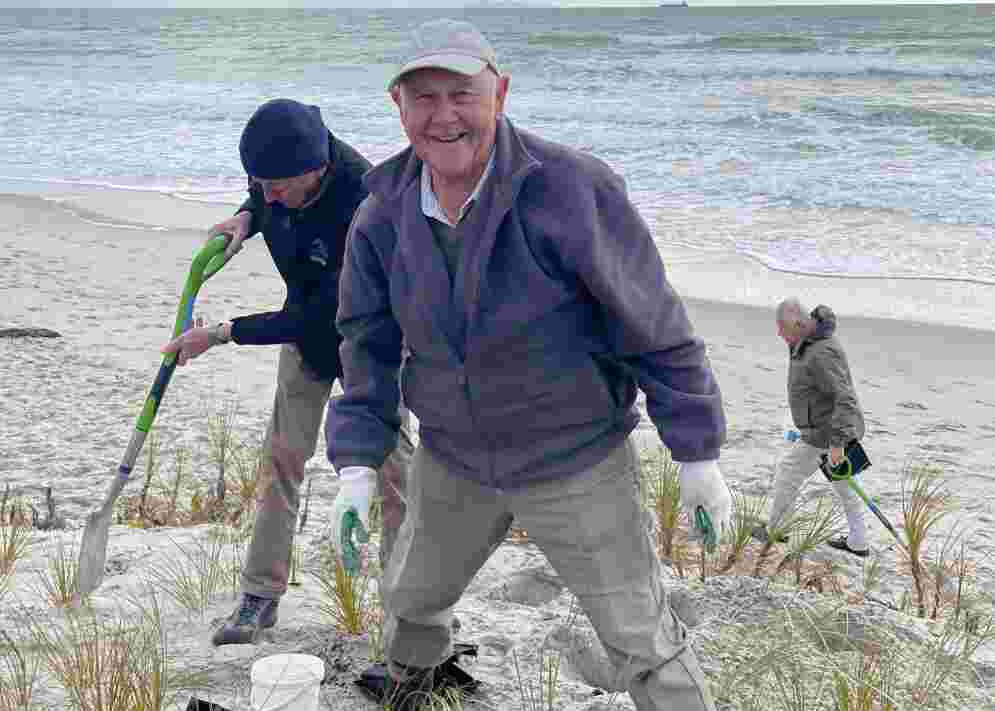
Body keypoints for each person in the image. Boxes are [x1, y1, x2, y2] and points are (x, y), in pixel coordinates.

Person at [326, 19, 732, 711]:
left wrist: (696, 452)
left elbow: (652, 321)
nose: (443, 115)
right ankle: (413, 678)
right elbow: (365, 343)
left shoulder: (572, 189)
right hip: (453, 457)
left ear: (500, 93)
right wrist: (358, 464)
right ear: (397, 107)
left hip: (573, 458)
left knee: (637, 631)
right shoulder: (381, 215)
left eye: (462, 93)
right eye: (423, 98)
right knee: (412, 594)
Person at [162, 98, 413, 646]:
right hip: (305, 333)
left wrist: (223, 333)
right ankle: (260, 597)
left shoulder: (366, 203)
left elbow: (321, 312)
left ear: (317, 170)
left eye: (277, 187)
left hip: (368, 341)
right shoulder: (280, 174)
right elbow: (262, 192)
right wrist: (245, 218)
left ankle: (408, 603)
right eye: (259, 182)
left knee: (398, 478)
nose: (269, 193)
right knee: (281, 459)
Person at [758, 298, 869, 558]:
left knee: (789, 472)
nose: (779, 333)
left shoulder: (821, 351)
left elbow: (845, 397)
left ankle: (778, 529)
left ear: (798, 323)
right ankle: (859, 541)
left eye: (782, 327)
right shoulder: (804, 342)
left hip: (827, 433)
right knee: (845, 483)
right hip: (825, 428)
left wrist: (838, 443)